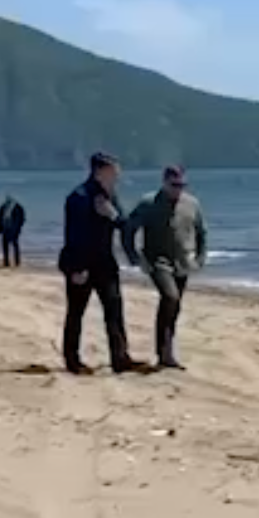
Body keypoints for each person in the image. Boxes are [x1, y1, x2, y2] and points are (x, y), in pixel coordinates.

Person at [58, 153, 136, 375]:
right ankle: (73, 361)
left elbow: (124, 224)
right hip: (81, 262)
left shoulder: (110, 195)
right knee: (76, 312)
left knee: (114, 310)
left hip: (105, 262)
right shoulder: (79, 197)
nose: (118, 175)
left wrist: (112, 214)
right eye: (114, 171)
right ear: (100, 171)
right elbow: (74, 235)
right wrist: (77, 268)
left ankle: (120, 358)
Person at [124, 165, 207, 370]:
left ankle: (166, 352)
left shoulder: (192, 204)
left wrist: (200, 258)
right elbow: (128, 230)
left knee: (174, 307)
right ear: (164, 183)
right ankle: (164, 352)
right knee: (170, 297)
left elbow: (201, 232)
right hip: (158, 260)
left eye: (182, 185)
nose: (178, 189)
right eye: (174, 185)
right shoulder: (148, 203)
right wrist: (135, 257)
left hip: (183, 261)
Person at [0, 194, 27, 268]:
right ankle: (7, 262)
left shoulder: (17, 207)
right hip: (6, 229)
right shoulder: (3, 207)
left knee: (14, 245)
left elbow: (21, 219)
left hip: (13, 229)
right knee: (6, 245)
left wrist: (18, 229)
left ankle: (16, 262)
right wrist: (0, 229)